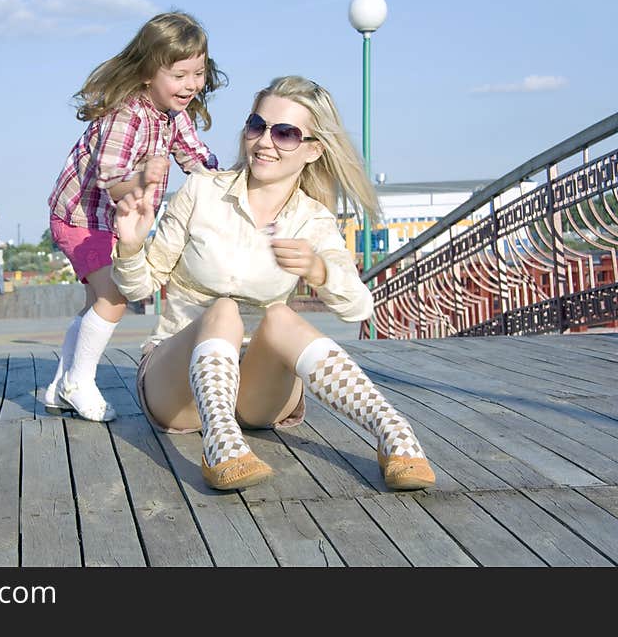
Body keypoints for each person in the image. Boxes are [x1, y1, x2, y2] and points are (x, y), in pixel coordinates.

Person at [112, 76, 436, 492]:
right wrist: (132, 246)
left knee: (281, 316)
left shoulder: (313, 220)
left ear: (313, 149)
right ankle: (222, 443)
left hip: (258, 390)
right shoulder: (201, 192)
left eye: (285, 133)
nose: (265, 142)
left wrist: (320, 271)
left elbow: (358, 308)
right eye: (256, 126)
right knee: (224, 309)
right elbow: (140, 287)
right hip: (177, 386)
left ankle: (393, 430)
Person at [44, 11, 225, 422]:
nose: (191, 85)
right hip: (81, 217)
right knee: (114, 297)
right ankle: (79, 382)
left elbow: (196, 158)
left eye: (198, 73)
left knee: (96, 302)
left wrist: (228, 185)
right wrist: (142, 177)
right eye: (180, 75)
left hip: (112, 223)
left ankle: (61, 384)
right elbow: (110, 180)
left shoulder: (174, 116)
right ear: (147, 72)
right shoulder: (126, 115)